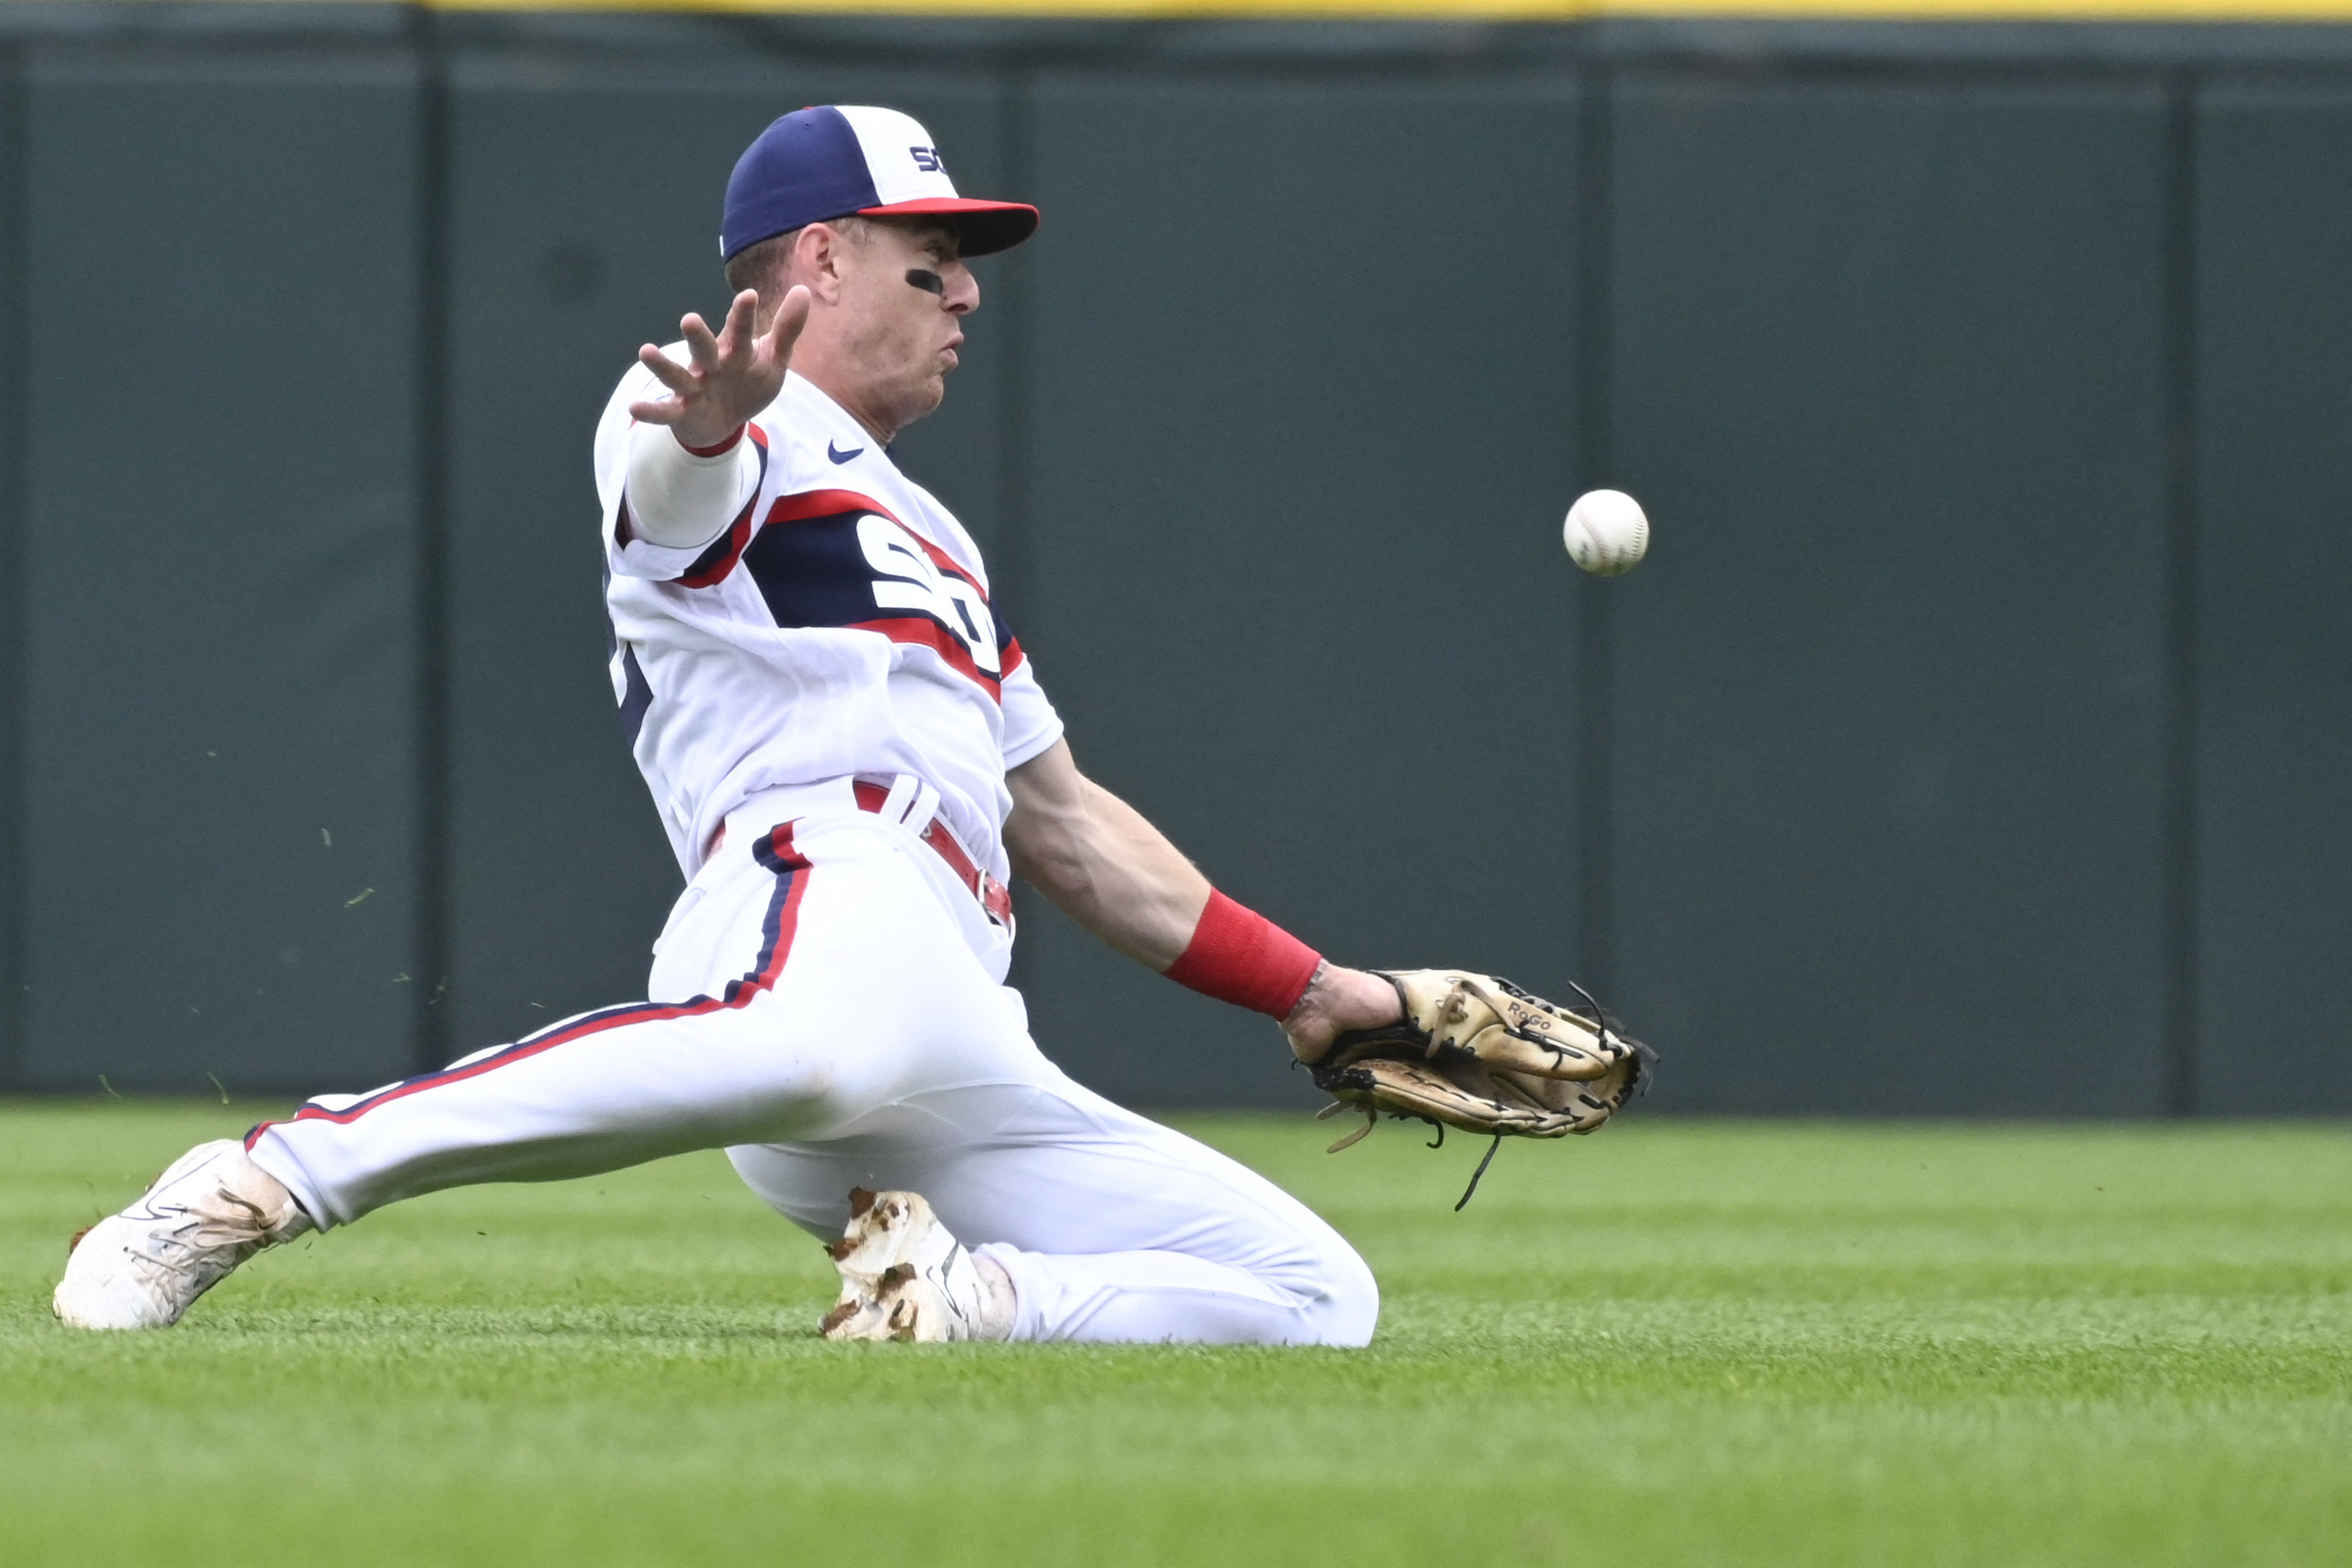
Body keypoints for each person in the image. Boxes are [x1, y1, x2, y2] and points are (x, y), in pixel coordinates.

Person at [53, 104, 1403, 1345]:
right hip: (818, 889)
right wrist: (703, 433)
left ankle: (965, 1299)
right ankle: (256, 1181)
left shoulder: (941, 539)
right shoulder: (712, 421)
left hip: (959, 1013)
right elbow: (675, 496)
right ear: (821, 256)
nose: (969, 291)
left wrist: (1312, 988)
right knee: (803, 1046)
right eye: (930, 261)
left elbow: (1067, 822)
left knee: (1319, 1294)